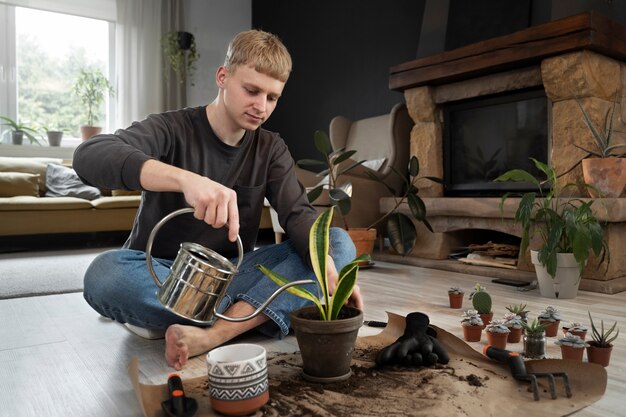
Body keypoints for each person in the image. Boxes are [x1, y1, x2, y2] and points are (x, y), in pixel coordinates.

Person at [73, 29, 363, 370]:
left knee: (338, 244)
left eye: (272, 98)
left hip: (233, 273)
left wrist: (326, 266)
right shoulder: (171, 128)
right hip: (160, 273)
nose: (261, 107)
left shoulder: (271, 148)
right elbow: (89, 155)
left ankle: (211, 333)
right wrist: (185, 180)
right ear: (223, 77)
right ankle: (250, 313)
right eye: (252, 90)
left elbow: (298, 214)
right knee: (104, 275)